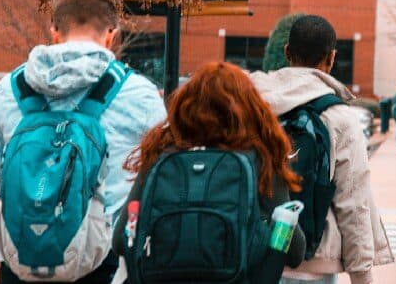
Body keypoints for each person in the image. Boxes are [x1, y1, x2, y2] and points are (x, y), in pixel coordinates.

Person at [0, 0, 167, 284]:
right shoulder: (139, 94)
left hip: (21, 261)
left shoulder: (8, 89)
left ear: (54, 32)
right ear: (112, 34)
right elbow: (159, 180)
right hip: (101, 262)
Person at [113, 62, 305, 283]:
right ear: (248, 109)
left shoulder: (161, 156)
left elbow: (120, 241)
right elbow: (295, 252)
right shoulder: (259, 159)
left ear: (184, 106)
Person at [250, 15, 393, 284]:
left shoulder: (253, 106)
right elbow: (354, 202)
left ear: (287, 52)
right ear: (331, 58)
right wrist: (361, 276)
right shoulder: (339, 117)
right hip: (314, 263)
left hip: (256, 257)